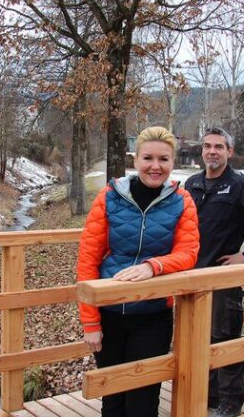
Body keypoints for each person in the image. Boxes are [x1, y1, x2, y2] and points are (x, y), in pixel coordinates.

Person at [76, 126, 200, 417]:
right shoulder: (109, 197)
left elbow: (188, 253)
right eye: (148, 158)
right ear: (135, 160)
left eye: (164, 159)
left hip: (152, 315)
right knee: (113, 398)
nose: (155, 166)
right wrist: (90, 323)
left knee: (144, 400)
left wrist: (153, 266)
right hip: (109, 313)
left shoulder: (182, 201)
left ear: (172, 162)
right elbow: (87, 261)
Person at [184, 127, 244, 416]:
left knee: (224, 340)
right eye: (207, 146)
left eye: (219, 146)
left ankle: (230, 404)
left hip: (222, 278)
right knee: (195, 339)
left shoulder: (242, 185)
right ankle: (208, 395)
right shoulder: (191, 184)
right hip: (190, 277)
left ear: (229, 151)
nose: (212, 151)